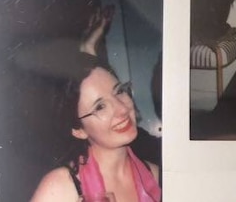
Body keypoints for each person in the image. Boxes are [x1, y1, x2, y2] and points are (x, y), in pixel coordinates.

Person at [29, 53, 161, 201]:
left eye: (119, 91)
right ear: (79, 130)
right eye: (100, 107)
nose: (122, 109)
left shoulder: (157, 177)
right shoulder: (60, 187)